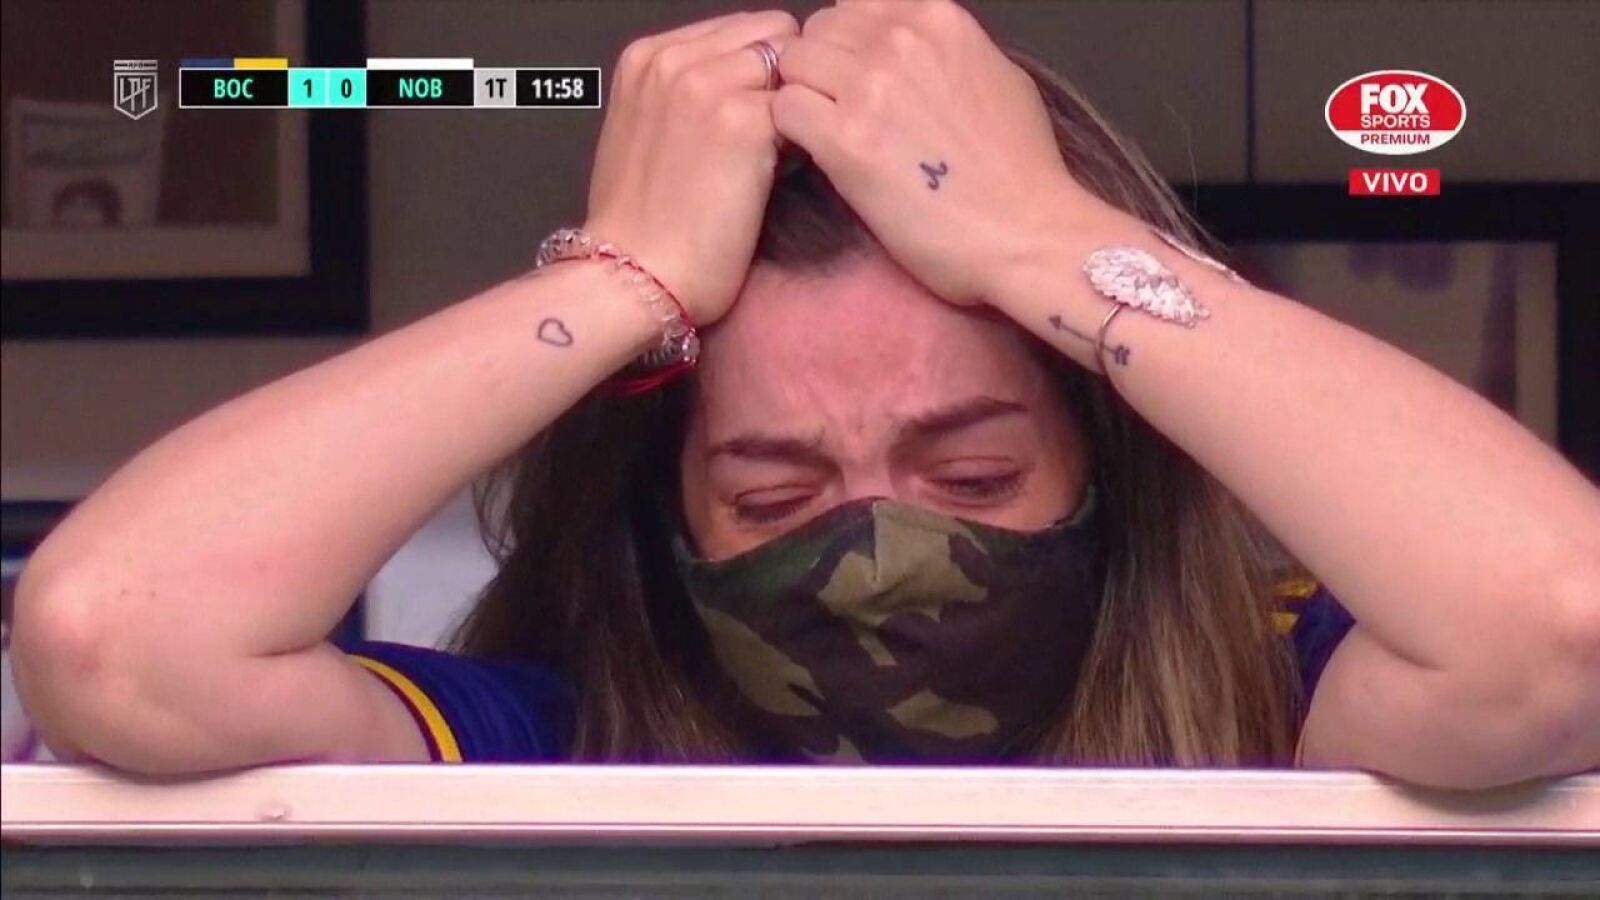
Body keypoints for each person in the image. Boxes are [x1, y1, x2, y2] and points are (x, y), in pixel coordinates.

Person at [10, 3, 1598, 788]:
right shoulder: (555, 746)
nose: (883, 550)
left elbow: (1562, 623)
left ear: (1111, 461)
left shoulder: (1282, 696)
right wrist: (622, 281)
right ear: (664, 520)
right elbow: (114, 641)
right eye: (774, 495)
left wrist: (1046, 241)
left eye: (975, 477)